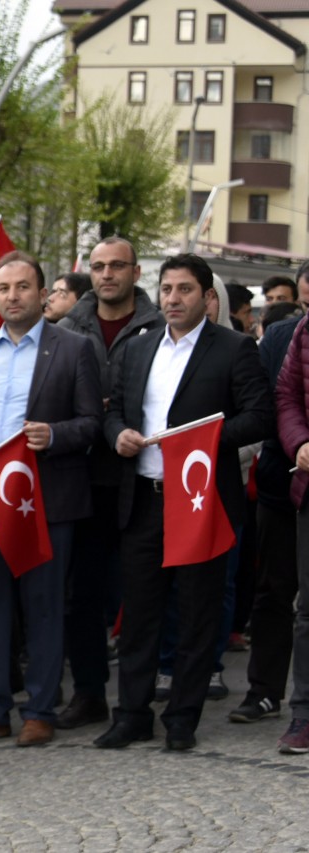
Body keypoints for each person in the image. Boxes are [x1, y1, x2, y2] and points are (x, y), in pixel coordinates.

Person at [96, 253, 271, 752]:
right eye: (167, 289)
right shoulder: (139, 348)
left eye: (185, 290)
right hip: (145, 501)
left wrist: (201, 440)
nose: (173, 299)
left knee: (196, 614)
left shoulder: (234, 349)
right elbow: (114, 413)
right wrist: (119, 436)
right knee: (140, 617)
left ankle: (182, 718)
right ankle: (131, 714)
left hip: (200, 503)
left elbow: (258, 417)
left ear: (207, 297)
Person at [0, 252, 102, 748]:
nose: (13, 296)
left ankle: (40, 708)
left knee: (44, 607)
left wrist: (56, 434)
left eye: (23, 287)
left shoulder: (73, 349)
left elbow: (92, 423)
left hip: (47, 500)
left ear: (42, 294)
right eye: (4, 289)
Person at [54, 236, 164, 731]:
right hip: (83, 475)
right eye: (98, 266)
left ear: (136, 272)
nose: (106, 275)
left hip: (139, 476)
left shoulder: (160, 327)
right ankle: (90, 692)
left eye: (117, 266)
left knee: (142, 593)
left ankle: (138, 696)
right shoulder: (67, 325)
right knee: (83, 593)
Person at [231, 264, 308, 726]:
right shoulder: (282, 338)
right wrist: (296, 444)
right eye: (304, 301)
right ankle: (263, 691)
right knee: (274, 591)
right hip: (285, 482)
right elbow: (270, 404)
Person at [272, 260, 309, 753]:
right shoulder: (303, 332)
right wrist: (299, 441)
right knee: (308, 611)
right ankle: (303, 715)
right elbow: (286, 396)